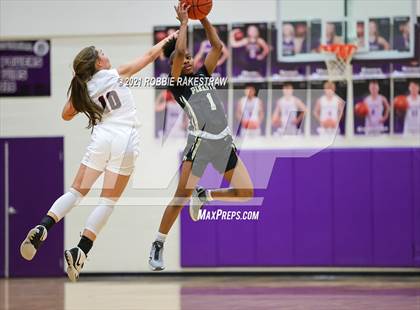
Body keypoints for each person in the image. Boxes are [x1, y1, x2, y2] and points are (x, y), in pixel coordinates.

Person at [20, 32, 177, 282]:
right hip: (126, 141)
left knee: (75, 193)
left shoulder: (85, 89)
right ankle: (81, 250)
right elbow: (150, 55)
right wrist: (172, 36)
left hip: (102, 139)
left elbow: (66, 114)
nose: (107, 55)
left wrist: (76, 81)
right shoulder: (115, 74)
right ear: (98, 63)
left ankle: (44, 226)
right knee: (107, 202)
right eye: (102, 53)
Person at [148, 3, 254, 271]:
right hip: (200, 144)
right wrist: (184, 22)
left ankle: (205, 194)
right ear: (172, 64)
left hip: (224, 142)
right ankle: (159, 243)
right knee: (180, 196)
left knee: (246, 192)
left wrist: (203, 17)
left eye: (187, 58)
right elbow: (180, 49)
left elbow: (217, 47)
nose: (185, 60)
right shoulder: (176, 84)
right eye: (180, 60)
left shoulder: (203, 75)